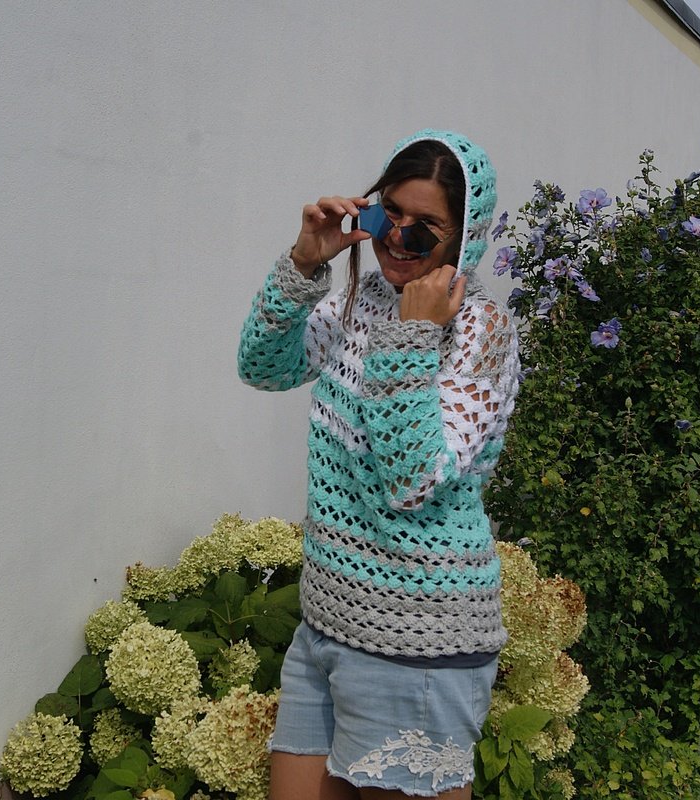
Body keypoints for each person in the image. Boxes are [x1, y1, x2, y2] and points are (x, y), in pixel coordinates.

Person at [238, 129, 520, 800]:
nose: (397, 237)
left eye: (424, 228)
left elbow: (412, 478)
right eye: (387, 212)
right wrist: (304, 266)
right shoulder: (358, 300)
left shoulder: (480, 331)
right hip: (327, 624)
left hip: (417, 641)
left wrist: (413, 333)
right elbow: (263, 367)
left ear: (464, 240)